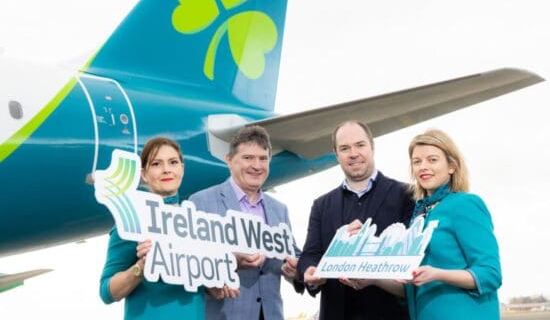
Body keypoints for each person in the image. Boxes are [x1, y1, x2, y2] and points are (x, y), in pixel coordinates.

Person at [355, 129, 502, 320]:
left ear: (452, 166)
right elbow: (412, 289)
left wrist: (438, 274)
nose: (423, 167)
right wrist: (374, 279)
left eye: (432, 160)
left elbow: (490, 274)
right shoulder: (420, 215)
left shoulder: (466, 204)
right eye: (417, 162)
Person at [297, 120, 414, 320]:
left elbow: (414, 261)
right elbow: (310, 255)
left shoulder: (407, 195)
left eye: (360, 145)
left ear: (372, 147)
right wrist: (310, 271)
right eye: (344, 148)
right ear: (336, 155)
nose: (353, 153)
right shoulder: (321, 205)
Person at [189, 125, 304, 320]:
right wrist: (229, 261)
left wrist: (296, 270)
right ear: (229, 160)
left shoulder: (279, 210)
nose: (256, 166)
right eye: (248, 158)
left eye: (263, 158)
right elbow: (189, 263)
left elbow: (293, 256)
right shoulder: (201, 202)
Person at [99, 137, 204, 320]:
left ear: (182, 169)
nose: (166, 170)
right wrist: (141, 267)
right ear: (144, 174)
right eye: (156, 164)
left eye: (173, 162)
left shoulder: (199, 223)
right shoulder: (132, 221)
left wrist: (221, 283)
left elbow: (209, 285)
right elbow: (107, 292)